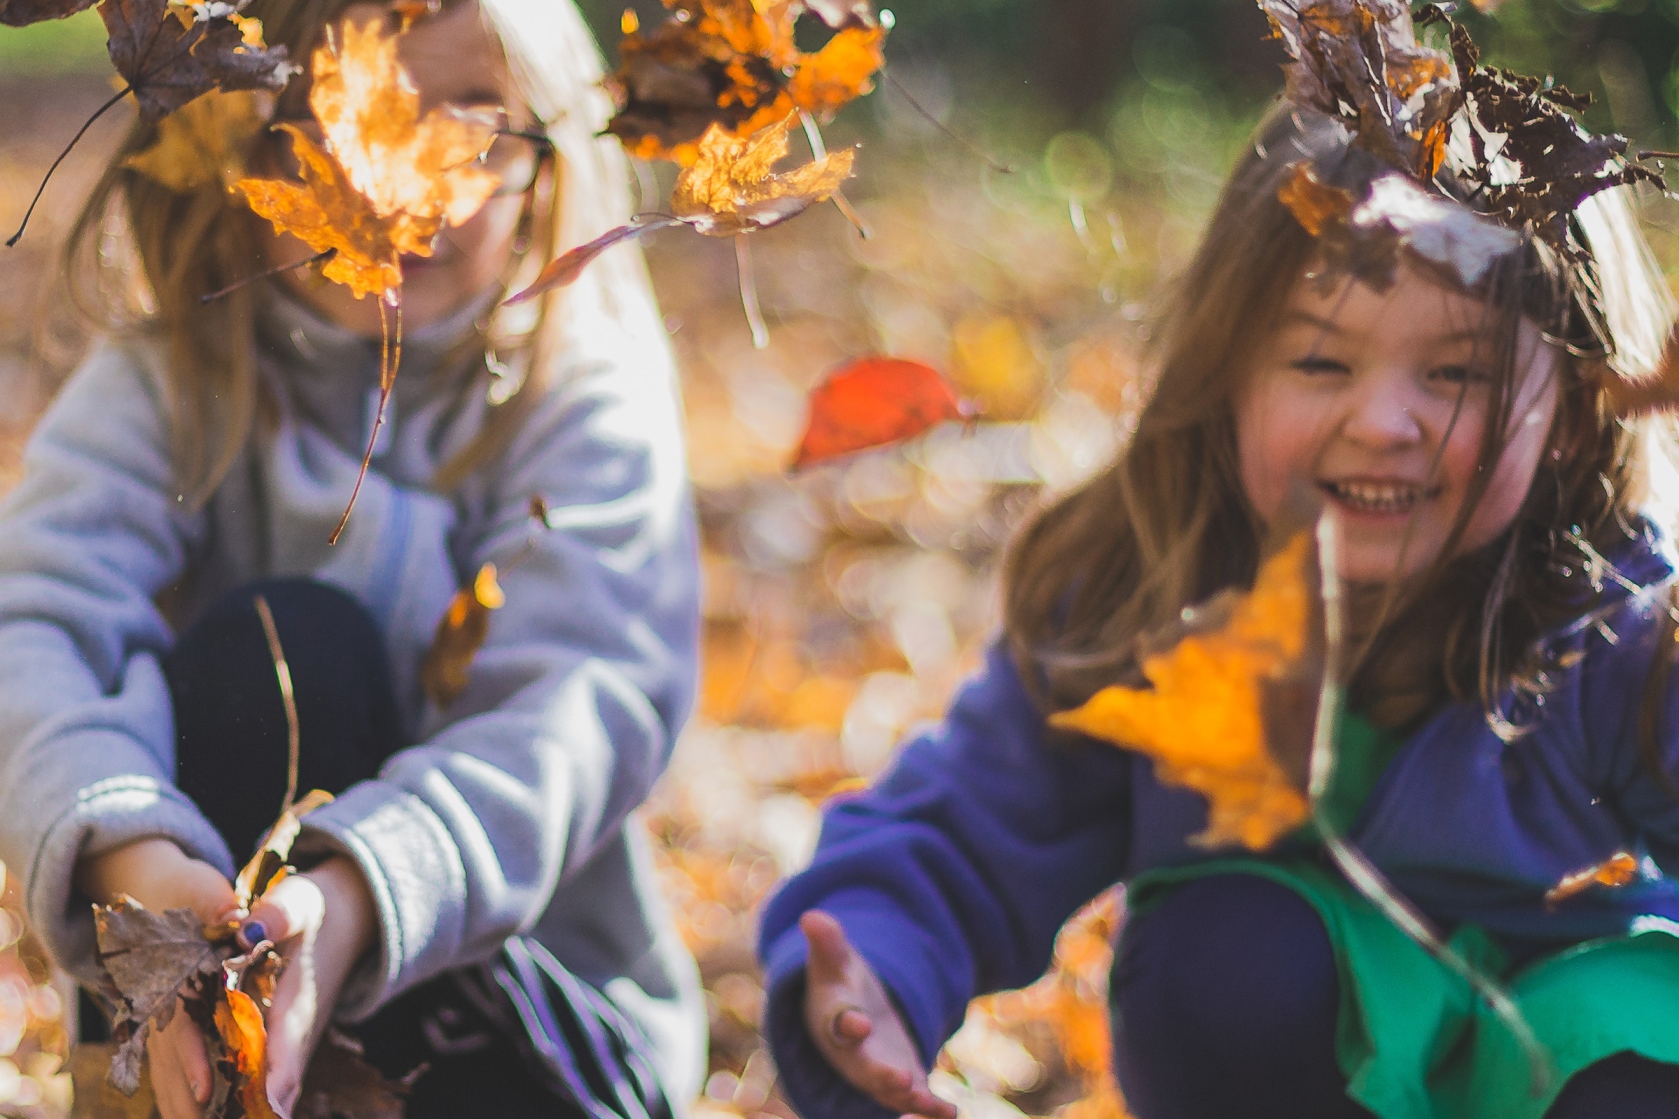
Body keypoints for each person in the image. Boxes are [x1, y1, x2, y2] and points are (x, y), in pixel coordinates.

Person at [757, 101, 1679, 1119]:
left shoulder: (1622, 624)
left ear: (1575, 412)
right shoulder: (1158, 593)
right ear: (1225, 375)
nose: (1381, 422)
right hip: (1303, 1046)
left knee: (1633, 1045)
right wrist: (873, 968)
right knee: (1221, 955)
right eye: (1319, 361)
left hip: (1572, 1047)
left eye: (1457, 375)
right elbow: (970, 821)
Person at [0, 2, 704, 1118]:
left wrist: (363, 892)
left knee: (310, 644)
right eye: (333, 128)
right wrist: (129, 852)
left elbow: (577, 709)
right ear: (241, 150)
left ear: (545, 159)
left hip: (529, 1029)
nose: (396, 188)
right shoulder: (174, 378)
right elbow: (35, 622)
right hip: (209, 966)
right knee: (283, 650)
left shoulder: (580, 403)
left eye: (465, 132)